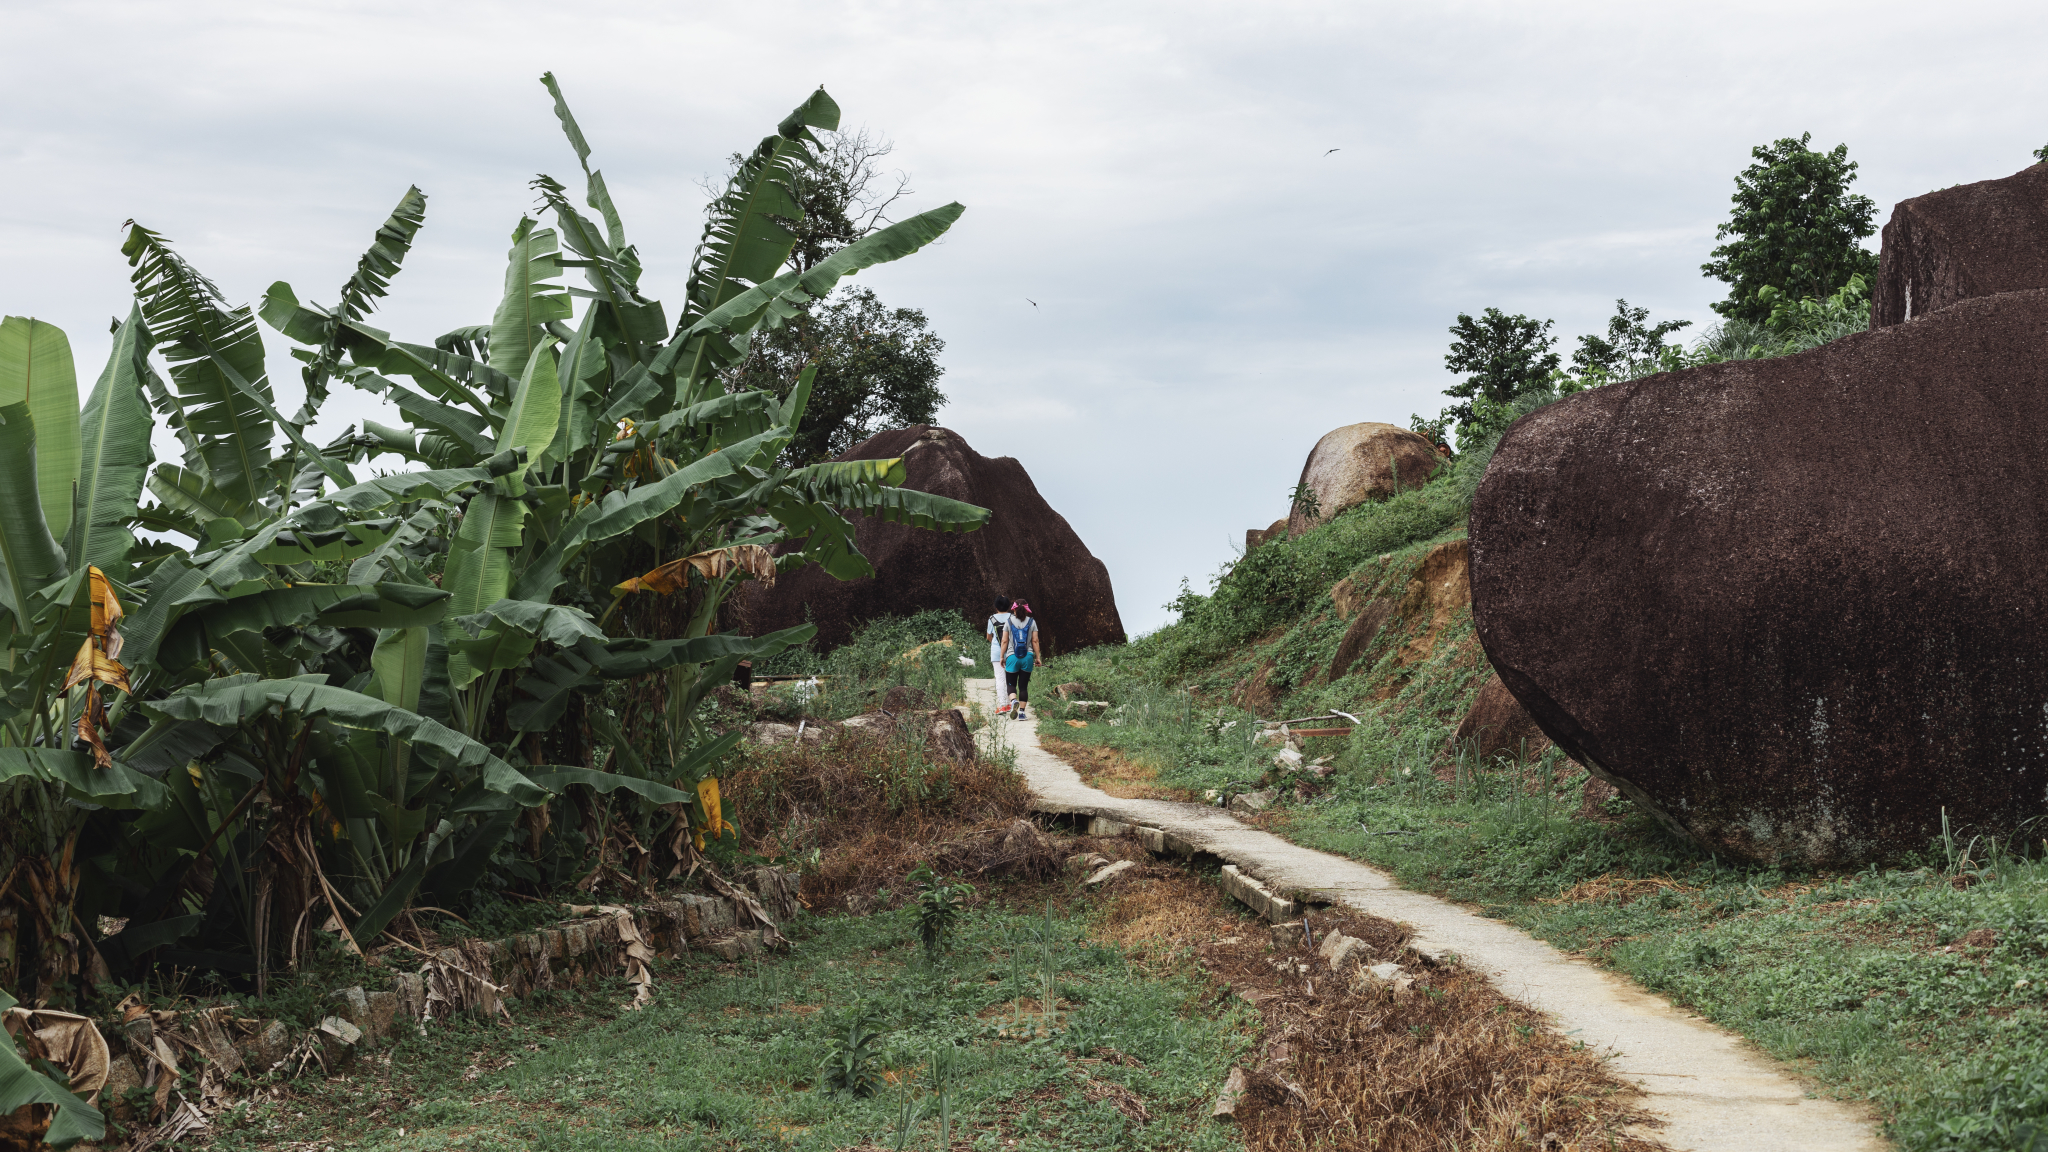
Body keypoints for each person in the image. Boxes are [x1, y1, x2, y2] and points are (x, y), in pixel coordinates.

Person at [1004, 600, 1042, 720]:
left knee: (1011, 684)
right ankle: (1021, 713)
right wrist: (1037, 658)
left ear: (1014, 609)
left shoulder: (1008, 621)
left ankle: (1014, 700)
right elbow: (1035, 641)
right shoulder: (1032, 621)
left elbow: (1004, 641)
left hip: (1012, 657)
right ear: (1026, 610)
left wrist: (1001, 657)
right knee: (1023, 686)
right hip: (1027, 657)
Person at [985, 594, 1012, 713]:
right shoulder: (1012, 617)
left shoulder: (992, 619)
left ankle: (1003, 705)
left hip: (997, 653)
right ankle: (1012, 703)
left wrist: (998, 645)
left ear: (996, 606)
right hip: (1012, 652)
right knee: (1010, 678)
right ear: (1009, 606)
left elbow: (988, 636)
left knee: (1000, 679)